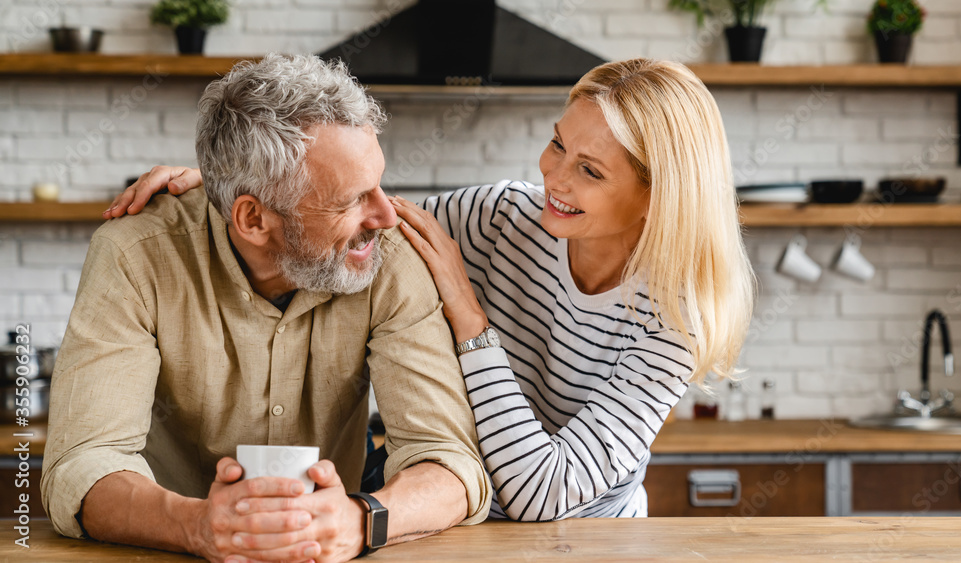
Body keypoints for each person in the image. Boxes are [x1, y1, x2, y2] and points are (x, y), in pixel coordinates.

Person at [108, 58, 755, 522]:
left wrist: (470, 319)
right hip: (449, 520)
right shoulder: (505, 215)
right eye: (557, 143)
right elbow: (347, 216)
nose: (552, 175)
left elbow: (544, 492)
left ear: (657, 198)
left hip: (583, 539)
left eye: (588, 170)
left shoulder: (676, 320)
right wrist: (233, 181)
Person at [42, 53, 491, 563]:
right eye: (350, 200)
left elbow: (450, 465)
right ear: (252, 219)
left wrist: (363, 520)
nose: (386, 214)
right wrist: (194, 526)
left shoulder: (387, 257)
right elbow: (82, 466)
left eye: (380, 184)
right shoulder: (135, 255)